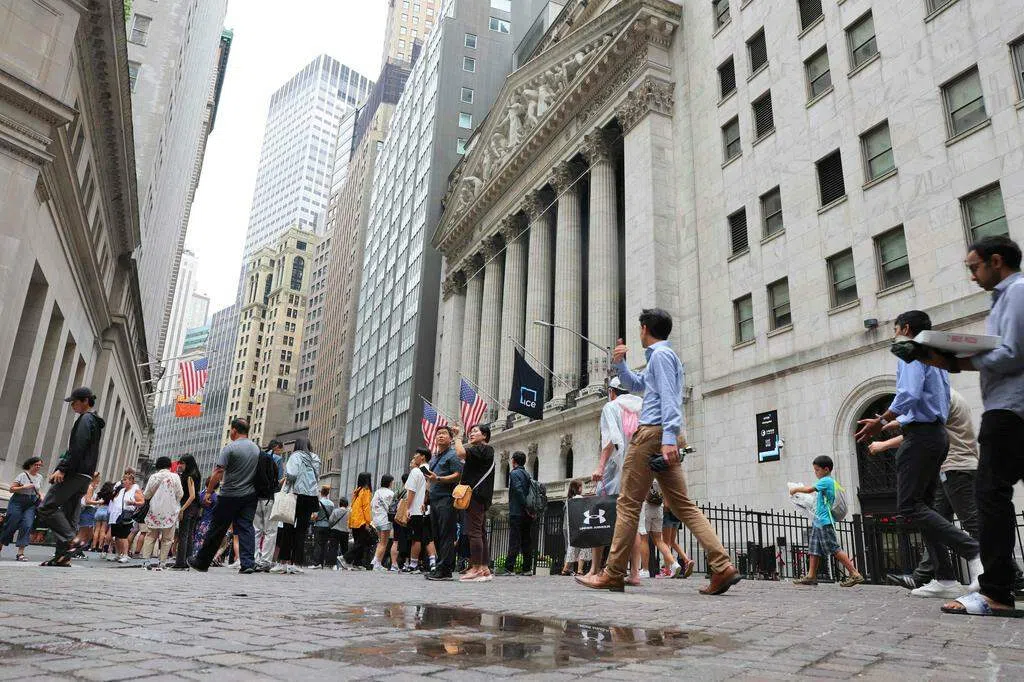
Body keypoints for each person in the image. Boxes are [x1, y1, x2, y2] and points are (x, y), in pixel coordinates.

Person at [577, 309, 740, 594]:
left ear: (644, 329)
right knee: (683, 505)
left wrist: (668, 438)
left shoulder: (662, 356)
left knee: (628, 504)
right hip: (662, 436)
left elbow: (670, 398)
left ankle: (613, 573)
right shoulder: (661, 357)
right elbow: (636, 385)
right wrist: (620, 364)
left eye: (639, 329)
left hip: (651, 435)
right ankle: (722, 565)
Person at [921, 236, 1024, 616]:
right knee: (992, 496)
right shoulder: (1007, 297)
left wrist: (955, 362)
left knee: (990, 496)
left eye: (974, 267)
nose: (971, 276)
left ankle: (997, 592)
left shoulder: (1017, 292)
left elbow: (1012, 353)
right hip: (1009, 406)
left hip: (1010, 408)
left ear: (996, 261)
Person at [856, 310, 982, 598]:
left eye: (895, 329)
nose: (894, 335)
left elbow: (909, 394)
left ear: (905, 328)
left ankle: (974, 551)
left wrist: (882, 419)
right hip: (935, 436)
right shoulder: (934, 356)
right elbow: (927, 401)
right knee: (925, 507)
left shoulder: (910, 351)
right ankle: (945, 578)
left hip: (922, 438)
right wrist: (888, 423)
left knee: (910, 506)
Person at [871, 389, 982, 589]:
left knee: (971, 522)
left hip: (957, 467)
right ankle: (933, 576)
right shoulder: (947, 395)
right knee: (933, 521)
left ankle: (1008, 573)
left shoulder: (940, 397)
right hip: (949, 468)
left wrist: (884, 444)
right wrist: (892, 422)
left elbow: (923, 433)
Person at [38, 386, 105, 567]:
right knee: (68, 516)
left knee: (46, 507)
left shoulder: (86, 419)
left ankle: (71, 540)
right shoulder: (94, 421)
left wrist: (62, 468)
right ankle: (63, 557)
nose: (72, 405)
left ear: (85, 401)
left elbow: (77, 447)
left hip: (75, 473)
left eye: (74, 402)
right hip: (85, 476)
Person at [187, 418, 261, 574]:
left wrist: (209, 491)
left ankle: (201, 562)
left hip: (229, 495)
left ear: (234, 430)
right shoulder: (256, 449)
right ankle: (248, 563)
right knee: (246, 527)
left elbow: (219, 471)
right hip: (249, 495)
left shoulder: (230, 448)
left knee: (217, 528)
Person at [589, 377, 644, 577]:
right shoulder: (640, 405)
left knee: (599, 516)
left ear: (612, 391)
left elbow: (611, 439)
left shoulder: (611, 407)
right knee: (632, 521)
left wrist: (600, 467)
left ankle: (595, 569)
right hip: (637, 469)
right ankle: (635, 573)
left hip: (615, 468)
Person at [788, 456, 864, 587]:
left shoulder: (826, 481)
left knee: (834, 548)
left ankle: (855, 573)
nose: (815, 472)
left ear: (826, 469)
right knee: (814, 549)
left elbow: (809, 490)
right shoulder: (828, 482)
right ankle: (811, 576)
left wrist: (795, 489)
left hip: (824, 522)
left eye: (817, 470)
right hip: (818, 521)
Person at [455, 424, 495, 582]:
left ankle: (477, 568)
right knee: (480, 532)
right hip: (480, 496)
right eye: (470, 432)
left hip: (475, 496)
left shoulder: (482, 449)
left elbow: (460, 453)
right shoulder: (485, 451)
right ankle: (484, 568)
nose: (471, 434)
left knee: (474, 532)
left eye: (475, 431)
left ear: (484, 435)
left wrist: (458, 437)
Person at [274, 437, 321, 574]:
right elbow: (317, 477)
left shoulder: (295, 456)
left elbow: (292, 474)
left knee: (288, 528)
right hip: (310, 497)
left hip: (295, 495)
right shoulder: (315, 458)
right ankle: (297, 564)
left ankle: (283, 562)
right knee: (302, 530)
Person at [425, 425, 463, 581]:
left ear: (450, 438)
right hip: (434, 500)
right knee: (437, 535)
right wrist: (425, 498)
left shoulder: (453, 455)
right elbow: (430, 480)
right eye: (438, 434)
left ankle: (445, 569)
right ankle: (440, 567)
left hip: (447, 499)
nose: (440, 436)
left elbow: (458, 475)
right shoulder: (434, 457)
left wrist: (438, 479)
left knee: (446, 534)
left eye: (444, 434)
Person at [141, 456, 184, 570]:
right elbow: (180, 494)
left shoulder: (154, 477)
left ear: (158, 466)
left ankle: (146, 561)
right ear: (169, 466)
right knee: (167, 539)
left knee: (150, 536)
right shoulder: (175, 477)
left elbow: (146, 495)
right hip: (170, 512)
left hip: (155, 511)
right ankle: (162, 562)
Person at [0, 457, 44, 561]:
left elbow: (38, 490)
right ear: (30, 465)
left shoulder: (40, 477)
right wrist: (24, 487)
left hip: (31, 503)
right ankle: (0, 545)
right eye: (36, 465)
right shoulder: (22, 475)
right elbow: (11, 489)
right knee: (11, 524)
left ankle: (20, 553)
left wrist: (41, 496)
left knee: (27, 525)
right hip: (17, 502)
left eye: (39, 465)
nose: (38, 467)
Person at [499, 450, 534, 577]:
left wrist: (525, 505)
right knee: (526, 541)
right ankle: (527, 568)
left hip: (517, 512)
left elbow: (518, 491)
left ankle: (509, 568)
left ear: (513, 461)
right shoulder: (527, 474)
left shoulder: (514, 473)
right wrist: (529, 508)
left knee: (514, 540)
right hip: (527, 513)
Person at [403, 449, 437, 573]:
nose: (414, 457)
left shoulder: (416, 471)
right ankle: (433, 562)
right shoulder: (432, 470)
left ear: (422, 457)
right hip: (428, 509)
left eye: (416, 455)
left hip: (416, 509)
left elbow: (411, 491)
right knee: (428, 537)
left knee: (415, 538)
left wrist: (407, 508)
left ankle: (413, 564)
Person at [253, 440, 284, 572]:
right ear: (276, 448)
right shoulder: (276, 459)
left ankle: (254, 559)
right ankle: (265, 561)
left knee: (256, 530)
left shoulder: (255, 458)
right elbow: (278, 480)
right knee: (270, 531)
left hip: (255, 497)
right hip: (269, 498)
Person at [171, 455, 201, 570]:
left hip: (188, 507)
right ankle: (188, 561)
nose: (181, 466)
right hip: (195, 508)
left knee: (183, 535)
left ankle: (180, 562)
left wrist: (182, 509)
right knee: (189, 535)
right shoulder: (196, 474)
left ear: (188, 464)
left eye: (182, 463)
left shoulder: (189, 476)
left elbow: (192, 495)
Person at [341, 472, 374, 570]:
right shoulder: (366, 491)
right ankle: (345, 558)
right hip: (361, 520)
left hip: (354, 520)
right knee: (361, 542)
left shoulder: (357, 491)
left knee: (358, 542)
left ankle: (357, 563)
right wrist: (368, 522)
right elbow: (366, 508)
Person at [108, 470, 144, 563]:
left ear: (131, 481)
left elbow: (142, 502)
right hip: (116, 515)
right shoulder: (121, 490)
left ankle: (125, 554)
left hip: (126, 515)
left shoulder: (135, 490)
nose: (123, 481)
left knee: (123, 536)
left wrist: (133, 503)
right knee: (117, 536)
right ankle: (118, 554)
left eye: (125, 480)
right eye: (123, 480)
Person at [561, 479, 591, 576]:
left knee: (572, 547)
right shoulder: (580, 498)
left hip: (570, 528)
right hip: (580, 527)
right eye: (581, 486)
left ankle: (566, 568)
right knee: (584, 547)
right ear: (578, 488)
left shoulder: (569, 500)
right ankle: (580, 570)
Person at [370, 474, 396, 571]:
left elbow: (372, 504)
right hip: (385, 520)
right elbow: (392, 507)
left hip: (377, 520)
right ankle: (375, 560)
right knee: (384, 543)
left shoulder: (377, 492)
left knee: (380, 542)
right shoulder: (390, 493)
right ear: (389, 482)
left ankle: (378, 564)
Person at [73, 472, 101, 552]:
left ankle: (77, 550)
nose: (99, 479)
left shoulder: (90, 487)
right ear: (95, 478)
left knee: (88, 534)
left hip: (89, 511)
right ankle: (74, 549)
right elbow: (87, 501)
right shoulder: (90, 487)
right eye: (98, 478)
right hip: (87, 511)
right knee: (82, 534)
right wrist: (98, 502)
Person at [312, 486, 335, 569]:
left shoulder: (319, 503)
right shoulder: (332, 504)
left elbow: (315, 516)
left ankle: (316, 563)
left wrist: (312, 518)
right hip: (327, 526)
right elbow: (332, 517)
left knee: (318, 544)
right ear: (328, 493)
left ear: (321, 493)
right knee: (325, 544)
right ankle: (322, 562)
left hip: (318, 525)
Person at [90, 481, 115, 555]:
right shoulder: (111, 495)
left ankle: (93, 546)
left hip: (99, 510)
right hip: (106, 511)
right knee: (103, 530)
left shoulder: (99, 493)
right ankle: (100, 547)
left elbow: (96, 501)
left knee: (97, 529)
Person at [326, 497, 350, 569]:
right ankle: (345, 563)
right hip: (345, 531)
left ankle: (332, 564)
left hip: (335, 531)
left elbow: (330, 521)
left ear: (340, 504)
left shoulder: (335, 511)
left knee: (333, 547)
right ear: (347, 504)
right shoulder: (349, 512)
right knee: (344, 548)